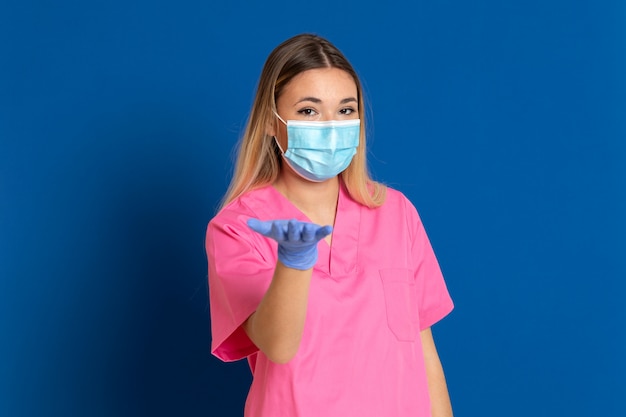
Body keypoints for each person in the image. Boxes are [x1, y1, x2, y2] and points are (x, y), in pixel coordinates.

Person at [205, 33, 454, 417]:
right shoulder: (239, 227)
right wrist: (295, 259)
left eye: (345, 110)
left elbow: (425, 353)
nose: (331, 126)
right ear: (272, 122)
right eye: (308, 111)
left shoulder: (395, 212)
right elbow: (279, 345)